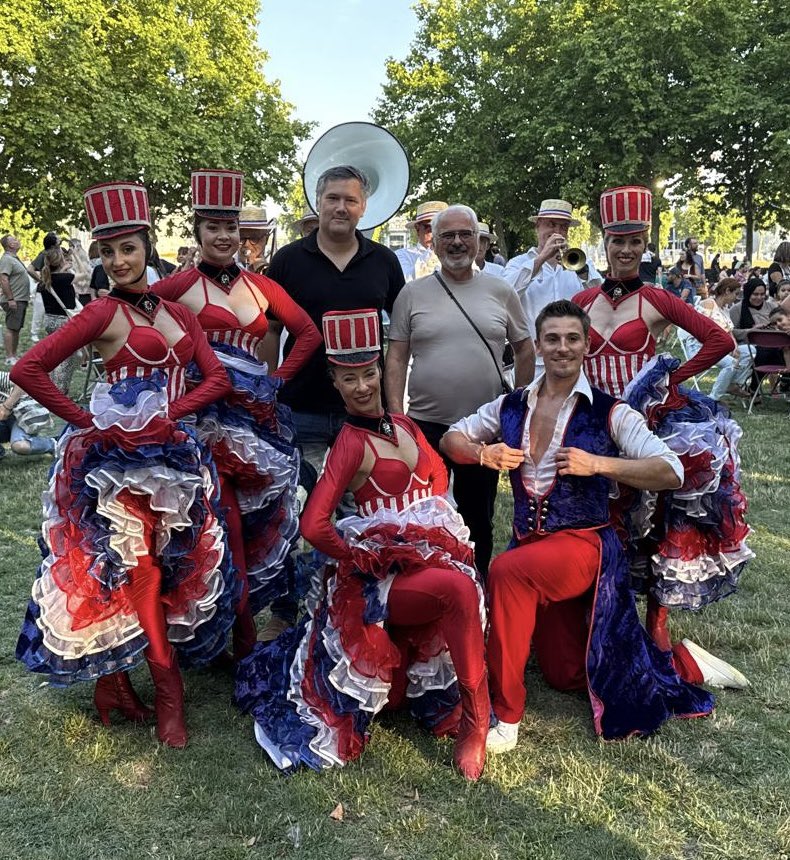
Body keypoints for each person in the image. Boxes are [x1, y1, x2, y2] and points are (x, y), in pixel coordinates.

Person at [12, 181, 237, 749]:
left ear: (147, 245)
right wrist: (86, 422)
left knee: (163, 570)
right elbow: (29, 369)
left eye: (127, 249)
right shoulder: (102, 312)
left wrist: (172, 413)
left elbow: (217, 378)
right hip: (115, 465)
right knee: (138, 573)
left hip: (173, 459)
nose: (117, 261)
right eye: (107, 252)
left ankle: (113, 687)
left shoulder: (179, 316)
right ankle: (169, 696)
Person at [441, 300, 714, 751]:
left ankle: (503, 716)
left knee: (507, 572)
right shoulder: (512, 405)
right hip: (533, 546)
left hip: (585, 546)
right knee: (565, 673)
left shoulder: (609, 411)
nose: (562, 348)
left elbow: (671, 471)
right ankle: (683, 662)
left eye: (572, 338)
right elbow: (452, 436)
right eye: (552, 339)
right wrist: (482, 454)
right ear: (539, 345)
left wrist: (598, 464)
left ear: (587, 345)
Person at [235, 309, 489, 779]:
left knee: (455, 589)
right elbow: (315, 525)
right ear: (334, 381)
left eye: (368, 374)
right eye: (348, 379)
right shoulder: (349, 443)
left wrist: (422, 527)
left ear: (381, 371)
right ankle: (476, 722)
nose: (361, 387)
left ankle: (459, 704)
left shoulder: (405, 425)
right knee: (458, 591)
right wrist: (364, 555)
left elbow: (436, 475)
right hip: (380, 582)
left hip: (426, 558)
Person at [573, 185, 751, 688]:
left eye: (634, 240)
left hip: (648, 421)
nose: (625, 249)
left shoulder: (656, 298)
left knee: (656, 521)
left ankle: (656, 627)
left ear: (644, 242)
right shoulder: (581, 300)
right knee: (604, 520)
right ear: (603, 242)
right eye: (616, 240)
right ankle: (604, 618)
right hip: (596, 421)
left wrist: (671, 378)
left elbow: (720, 339)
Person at [154, 169, 321, 658]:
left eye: (231, 228)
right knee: (211, 523)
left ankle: (243, 635)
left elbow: (308, 333)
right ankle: (219, 632)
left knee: (255, 524)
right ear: (198, 232)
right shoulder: (176, 286)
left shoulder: (261, 286)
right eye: (213, 227)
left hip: (256, 428)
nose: (224, 236)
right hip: (201, 424)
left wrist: (275, 380)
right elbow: (134, 329)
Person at [260, 165, 405, 638]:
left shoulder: (384, 261)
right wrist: (267, 387)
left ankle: (354, 600)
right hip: (298, 406)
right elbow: (270, 332)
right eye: (333, 199)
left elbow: (399, 339)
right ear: (317, 202)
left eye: (351, 200)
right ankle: (286, 609)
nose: (342, 208)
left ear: (364, 207)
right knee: (293, 510)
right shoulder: (287, 261)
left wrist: (392, 404)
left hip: (362, 411)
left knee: (360, 511)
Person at [385, 204, 534, 576]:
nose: (456, 242)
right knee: (422, 516)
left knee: (477, 520)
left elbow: (525, 348)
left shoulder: (501, 292)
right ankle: (427, 590)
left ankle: (476, 589)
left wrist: (520, 404)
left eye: (465, 234)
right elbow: (397, 357)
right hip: (423, 426)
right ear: (434, 243)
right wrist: (395, 419)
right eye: (447, 235)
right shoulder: (411, 294)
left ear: (479, 241)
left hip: (481, 429)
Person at [502, 198, 602, 375]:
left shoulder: (581, 263)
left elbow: (601, 297)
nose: (557, 232)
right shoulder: (518, 264)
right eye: (551, 224)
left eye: (563, 227)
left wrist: (583, 271)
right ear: (538, 226)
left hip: (573, 362)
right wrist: (540, 260)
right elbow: (504, 295)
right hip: (531, 363)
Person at [691, 278, 752, 399]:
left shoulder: (725, 309)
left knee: (752, 352)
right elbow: (699, 329)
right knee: (731, 363)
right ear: (727, 291)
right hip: (701, 347)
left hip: (722, 347)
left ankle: (733, 384)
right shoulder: (708, 304)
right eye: (736, 293)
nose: (736, 297)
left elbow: (729, 332)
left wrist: (734, 346)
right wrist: (724, 347)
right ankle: (714, 398)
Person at [39, 245, 81, 394]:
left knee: (54, 356)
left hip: (50, 320)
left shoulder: (45, 280)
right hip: (64, 322)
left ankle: (51, 386)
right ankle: (59, 391)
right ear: (61, 261)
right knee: (68, 358)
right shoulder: (66, 278)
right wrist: (73, 259)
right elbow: (83, 275)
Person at [0, 370, 55, 459]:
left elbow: (22, 383)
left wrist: (7, 406)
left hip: (19, 416)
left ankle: (53, 444)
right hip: (3, 422)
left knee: (20, 446)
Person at [395, 200, 447, 282]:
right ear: (417, 229)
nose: (436, 234)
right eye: (430, 228)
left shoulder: (458, 255)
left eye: (443, 229)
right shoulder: (403, 255)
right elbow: (406, 281)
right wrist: (432, 251)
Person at [0, 234, 32, 364]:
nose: (17, 241)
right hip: (14, 299)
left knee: (16, 328)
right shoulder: (7, 259)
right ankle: (9, 357)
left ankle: (14, 355)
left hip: (20, 299)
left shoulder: (14, 258)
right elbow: (3, 278)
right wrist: (10, 299)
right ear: (10, 245)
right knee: (11, 328)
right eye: (14, 240)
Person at [238, 205, 276, 273]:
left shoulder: (275, 270)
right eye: (241, 238)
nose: (246, 244)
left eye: (254, 238)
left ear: (266, 239)